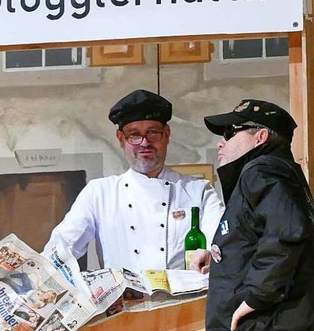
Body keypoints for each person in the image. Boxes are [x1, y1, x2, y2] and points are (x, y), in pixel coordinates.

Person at [192, 99, 314, 331]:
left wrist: (254, 298)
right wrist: (223, 256)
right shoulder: (280, 173)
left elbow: (286, 234)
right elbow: (275, 231)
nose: (221, 142)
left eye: (230, 133)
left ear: (260, 136)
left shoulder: (262, 169)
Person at [43, 89, 224, 271]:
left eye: (153, 133)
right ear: (121, 139)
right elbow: (62, 247)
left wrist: (209, 254)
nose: (144, 143)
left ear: (167, 134)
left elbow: (222, 244)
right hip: (125, 298)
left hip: (186, 298)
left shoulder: (198, 191)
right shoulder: (99, 193)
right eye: (134, 135)